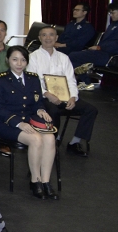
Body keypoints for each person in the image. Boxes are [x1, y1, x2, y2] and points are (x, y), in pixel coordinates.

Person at [0, 47, 59, 199]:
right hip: (7, 123)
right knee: (36, 139)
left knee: (49, 138)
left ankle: (46, 181)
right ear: (7, 60)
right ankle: (35, 181)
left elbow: (37, 101)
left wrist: (40, 110)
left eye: (23, 60)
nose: (19, 63)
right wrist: (17, 123)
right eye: (15, 59)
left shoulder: (33, 79)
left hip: (28, 120)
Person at [28, 24, 96, 157]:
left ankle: (75, 142)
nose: (48, 38)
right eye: (44, 35)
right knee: (53, 110)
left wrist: (73, 97)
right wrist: (47, 94)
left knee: (91, 110)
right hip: (45, 96)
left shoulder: (64, 58)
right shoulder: (33, 57)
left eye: (51, 35)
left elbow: (71, 80)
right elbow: (33, 82)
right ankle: (54, 140)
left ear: (56, 38)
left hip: (65, 96)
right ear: (39, 38)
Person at [69, 2, 118, 68]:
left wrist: (99, 47)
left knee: (73, 56)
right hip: (102, 52)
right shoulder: (113, 24)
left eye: (113, 13)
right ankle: (82, 73)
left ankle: (83, 73)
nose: (111, 15)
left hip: (110, 56)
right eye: (110, 13)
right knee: (74, 59)